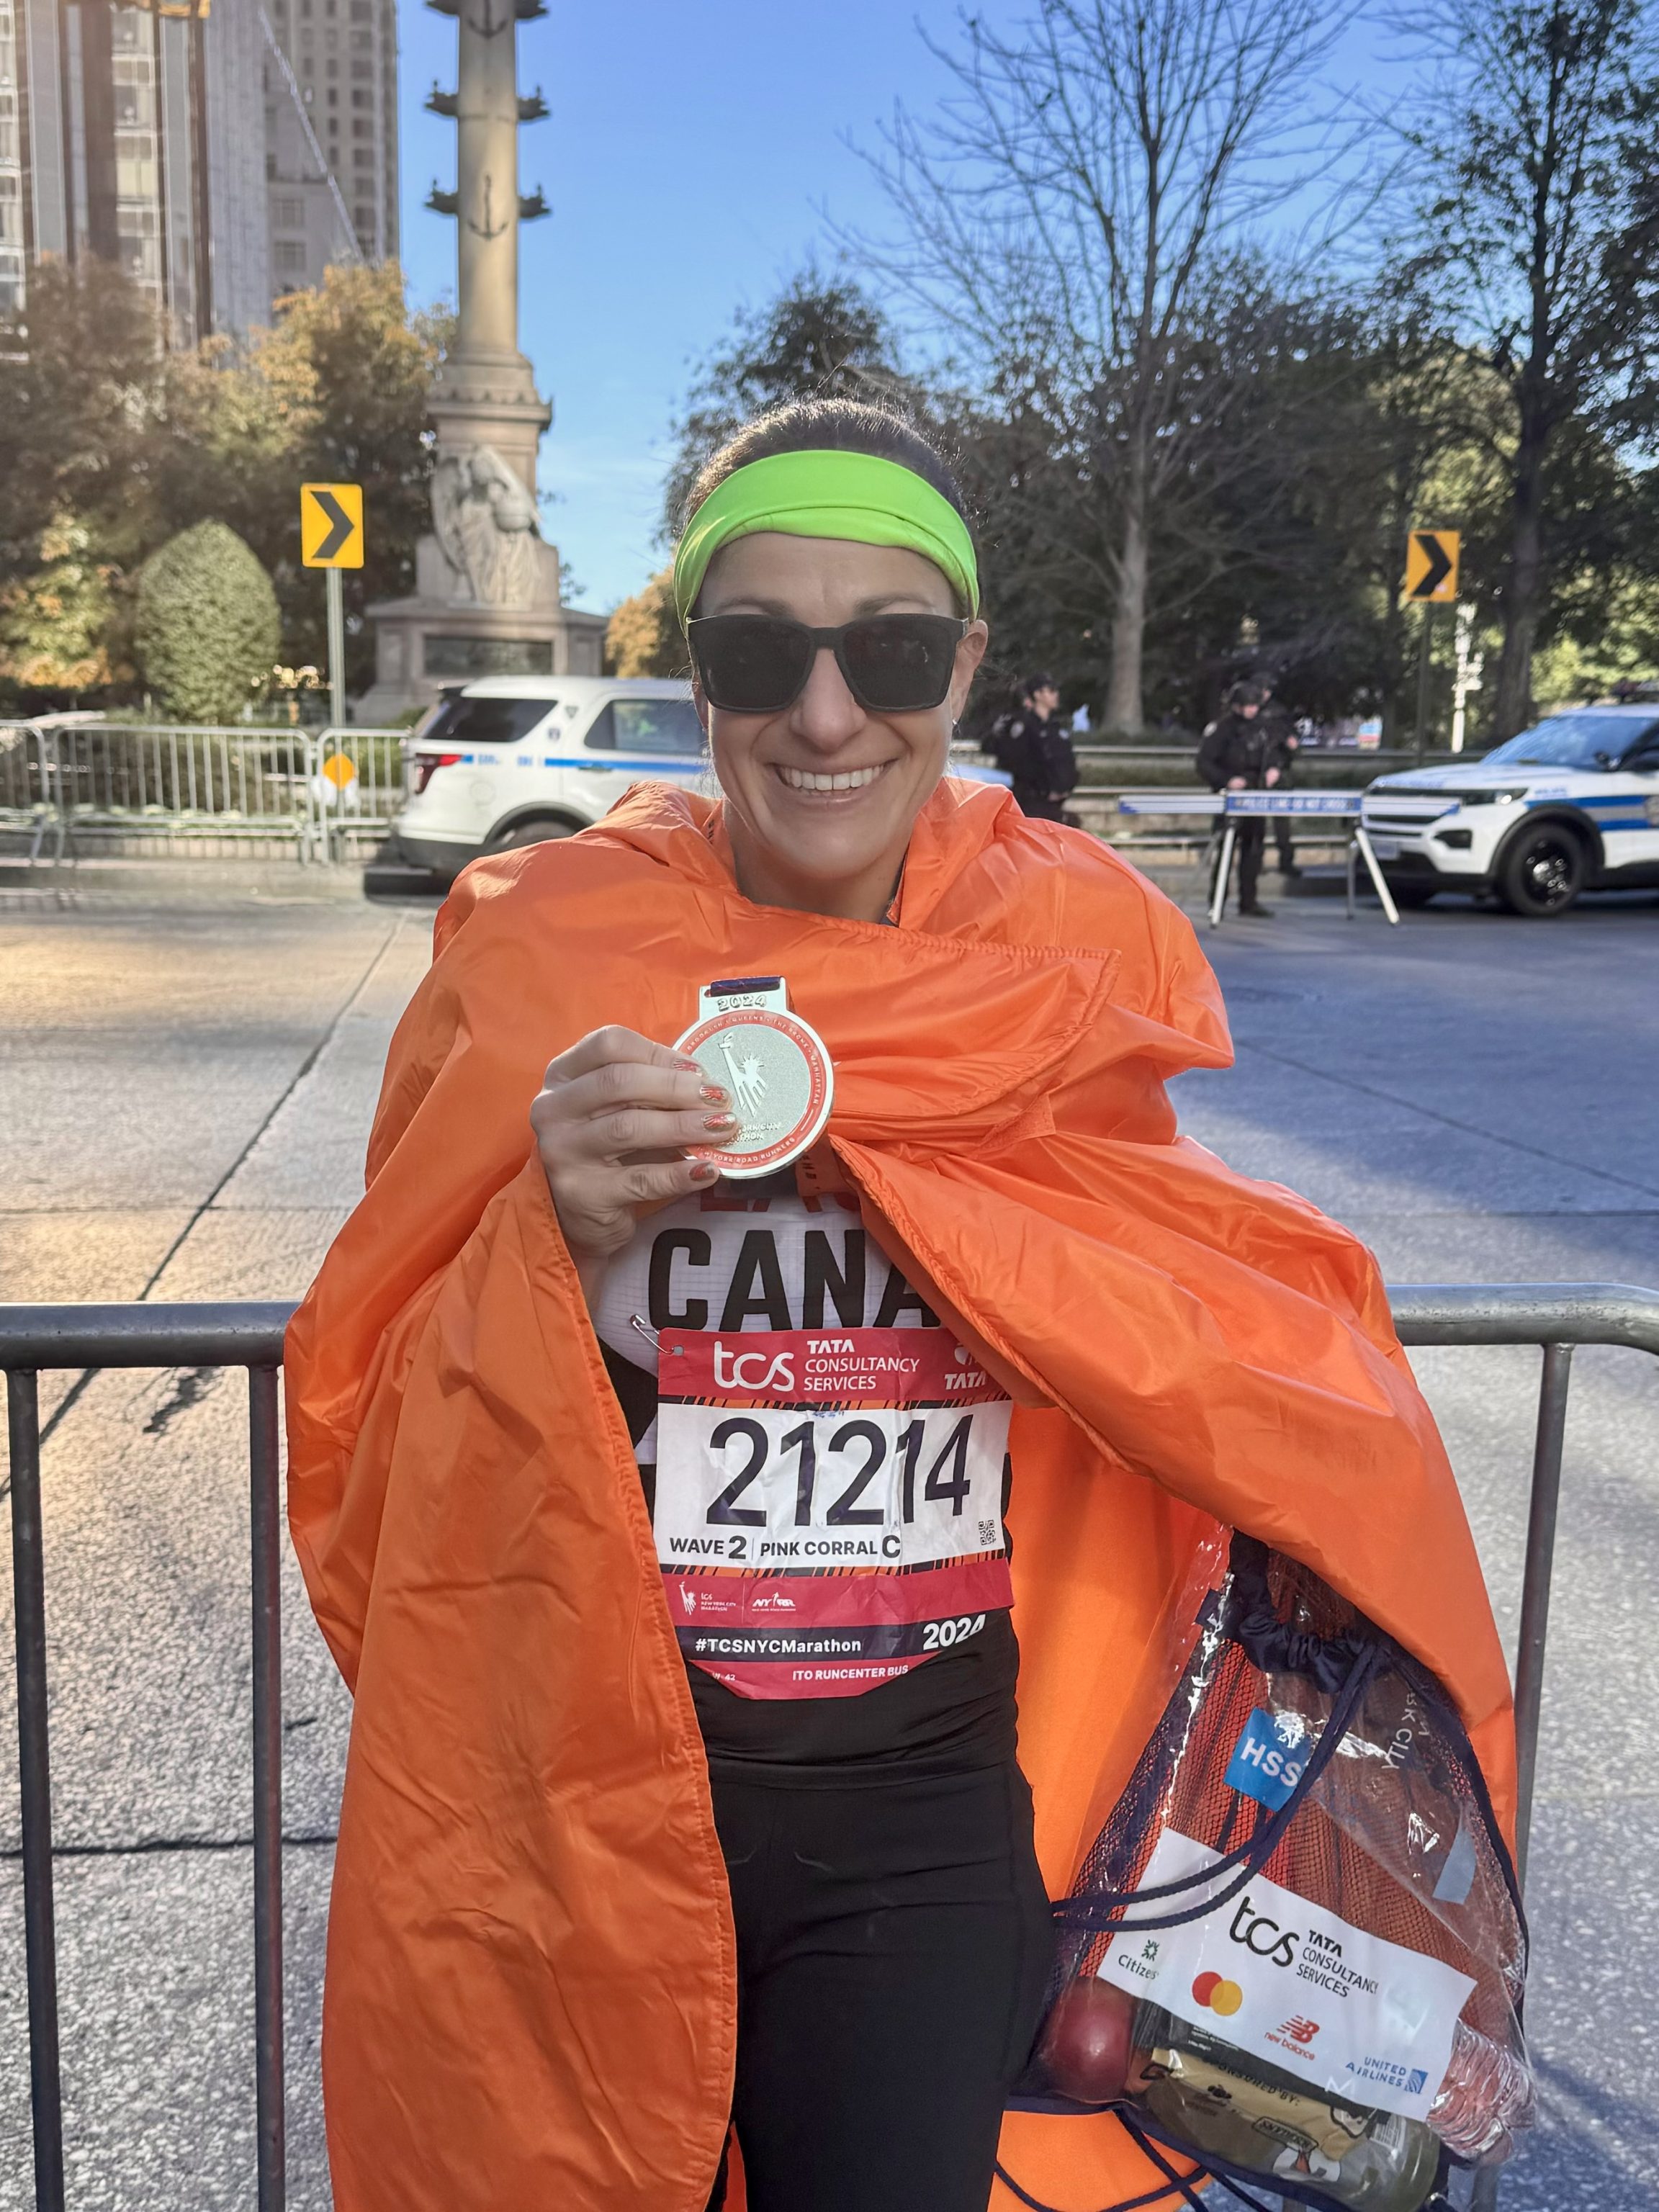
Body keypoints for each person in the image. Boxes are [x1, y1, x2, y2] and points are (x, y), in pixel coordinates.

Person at [284, 400, 1516, 2212]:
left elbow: (1172, 1305)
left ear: (968, 661)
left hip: (920, 1815)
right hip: (574, 1791)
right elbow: (371, 1399)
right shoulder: (545, 951)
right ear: (692, 668)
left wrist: (1015, 1243)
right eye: (759, 649)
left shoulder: (1062, 953)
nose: (830, 711)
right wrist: (533, 1238)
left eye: (894, 649)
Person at [1196, 678, 1282, 916]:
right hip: (1231, 796)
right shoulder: (1221, 729)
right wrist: (1226, 781)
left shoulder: (1263, 728)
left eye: (1254, 705)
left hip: (1257, 794)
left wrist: (1275, 769)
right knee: (1225, 849)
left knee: (1253, 851)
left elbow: (1275, 754)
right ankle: (1217, 902)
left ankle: (1249, 902)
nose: (1251, 710)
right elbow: (1204, 762)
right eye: (1246, 705)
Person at [986, 673, 1077, 820]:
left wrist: (1065, 786)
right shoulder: (1025, 725)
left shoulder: (1055, 728)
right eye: (1051, 690)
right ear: (1038, 694)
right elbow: (1017, 760)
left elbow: (1065, 761)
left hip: (1055, 803)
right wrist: (1043, 788)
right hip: (1032, 802)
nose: (1056, 695)